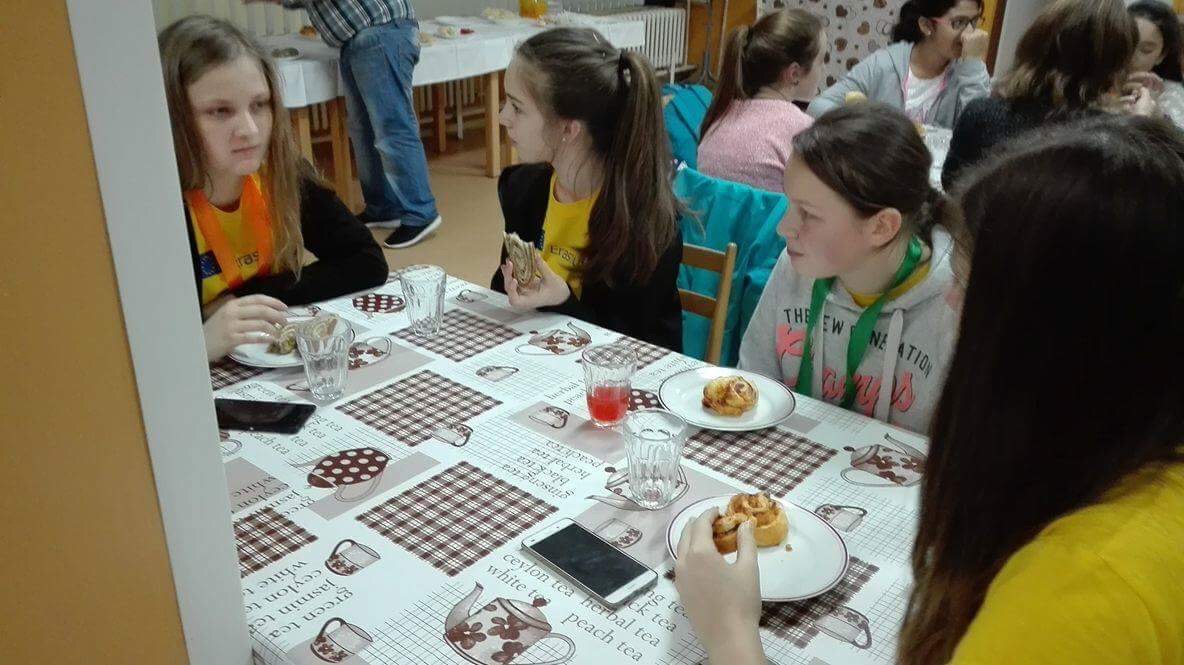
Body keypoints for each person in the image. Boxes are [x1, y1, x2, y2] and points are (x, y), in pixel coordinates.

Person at [674, 114, 1184, 665]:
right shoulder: (1127, 489)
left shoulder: (1074, 595)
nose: (951, 302)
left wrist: (730, 633)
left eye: (967, 285)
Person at [159, 16, 387, 361]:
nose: (249, 130)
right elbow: (140, 341)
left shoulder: (282, 173)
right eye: (220, 111)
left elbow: (366, 261)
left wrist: (246, 299)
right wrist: (197, 342)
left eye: (259, 105)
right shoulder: (155, 207)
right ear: (174, 117)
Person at [738, 103, 958, 434]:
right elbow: (752, 387)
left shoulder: (952, 304)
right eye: (790, 205)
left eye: (808, 214)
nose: (784, 228)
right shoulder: (796, 265)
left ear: (881, 227)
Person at [492, 28, 683, 351]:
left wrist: (563, 301)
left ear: (568, 129)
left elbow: (635, 349)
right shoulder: (523, 190)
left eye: (517, 107)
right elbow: (501, 294)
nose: (502, 117)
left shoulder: (643, 224)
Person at [251, 0, 443, 248]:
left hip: (380, 31)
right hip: (360, 39)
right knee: (363, 132)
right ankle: (383, 208)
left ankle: (421, 213)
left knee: (392, 129)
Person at [941, 0, 1154, 188]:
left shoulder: (982, 114)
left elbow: (952, 183)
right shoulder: (1111, 143)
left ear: (1033, 43)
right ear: (1115, 67)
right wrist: (1140, 129)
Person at [696, 9, 826, 193]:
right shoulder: (803, 131)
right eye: (821, 61)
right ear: (794, 73)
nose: (823, 70)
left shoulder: (719, 119)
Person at [807, 0, 989, 128]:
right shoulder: (884, 64)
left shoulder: (969, 73)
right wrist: (868, 127)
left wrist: (973, 64)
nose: (969, 33)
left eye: (974, 22)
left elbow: (978, 134)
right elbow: (817, 106)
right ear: (926, 25)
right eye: (959, 22)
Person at [1129, 1, 1184, 127]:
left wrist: (1155, 117)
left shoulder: (1171, 97)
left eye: (1146, 50)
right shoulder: (1097, 86)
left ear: (1161, 55)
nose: (1132, 56)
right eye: (1126, 44)